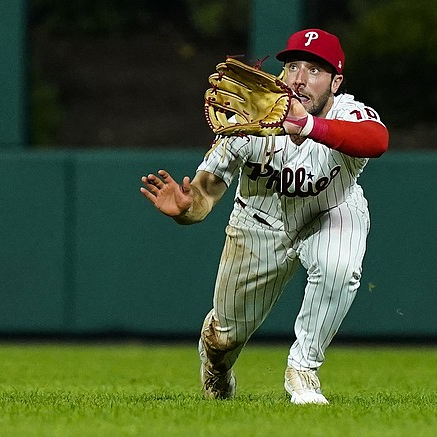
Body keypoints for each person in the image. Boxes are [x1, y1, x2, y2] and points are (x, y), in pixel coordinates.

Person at [140, 28, 389, 405]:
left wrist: (307, 124)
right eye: (292, 67)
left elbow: (376, 140)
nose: (299, 79)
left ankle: (303, 369)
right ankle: (217, 367)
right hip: (259, 223)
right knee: (225, 335)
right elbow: (207, 191)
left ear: (336, 82)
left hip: (331, 210)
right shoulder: (251, 116)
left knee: (338, 266)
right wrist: (188, 209)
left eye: (314, 70)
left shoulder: (346, 112)